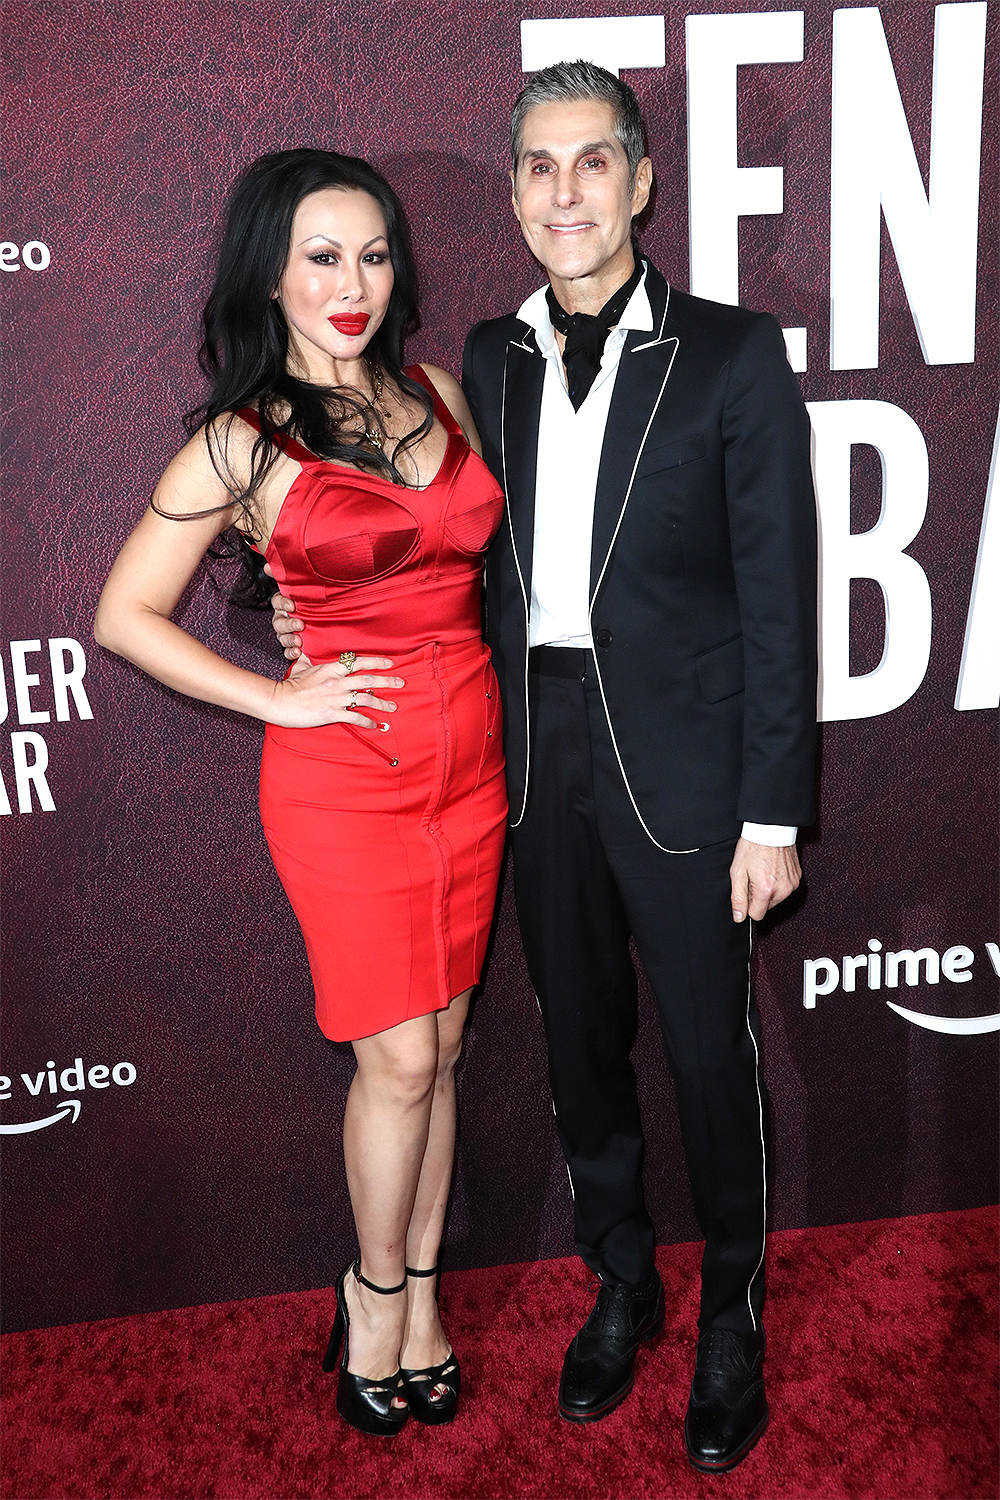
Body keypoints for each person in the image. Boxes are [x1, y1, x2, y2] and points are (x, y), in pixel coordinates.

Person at [272, 61, 818, 1473]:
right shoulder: (485, 363)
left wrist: (774, 809)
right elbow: (398, 537)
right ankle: (622, 1285)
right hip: (526, 756)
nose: (564, 192)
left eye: (593, 163)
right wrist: (289, 612)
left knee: (710, 1058)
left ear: (642, 182)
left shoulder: (734, 353)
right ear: (514, 194)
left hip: (691, 773)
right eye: (539, 167)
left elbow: (783, 600)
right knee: (583, 1058)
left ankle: (733, 1316)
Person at [95, 149, 508, 1437]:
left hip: (475, 760)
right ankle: (373, 1293)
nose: (353, 283)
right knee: (394, 1057)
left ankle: (426, 1292)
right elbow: (125, 615)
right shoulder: (240, 440)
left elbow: (456, 564)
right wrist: (279, 694)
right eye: (322, 256)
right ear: (268, 272)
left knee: (442, 1049)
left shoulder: (435, 392)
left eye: (374, 254)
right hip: (347, 782)